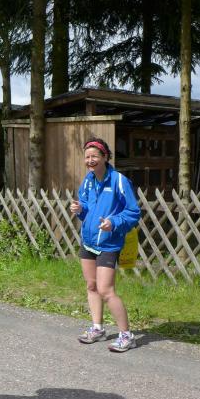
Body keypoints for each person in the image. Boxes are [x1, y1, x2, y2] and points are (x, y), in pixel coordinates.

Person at [69, 137, 140, 352]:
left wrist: (113, 223)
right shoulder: (88, 181)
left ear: (105, 157)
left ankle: (126, 336)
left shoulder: (119, 181)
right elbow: (87, 209)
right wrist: (80, 209)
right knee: (91, 286)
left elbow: (133, 212)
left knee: (106, 290)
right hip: (89, 241)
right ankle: (97, 328)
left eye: (94, 156)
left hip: (109, 243)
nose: (90, 160)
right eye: (87, 157)